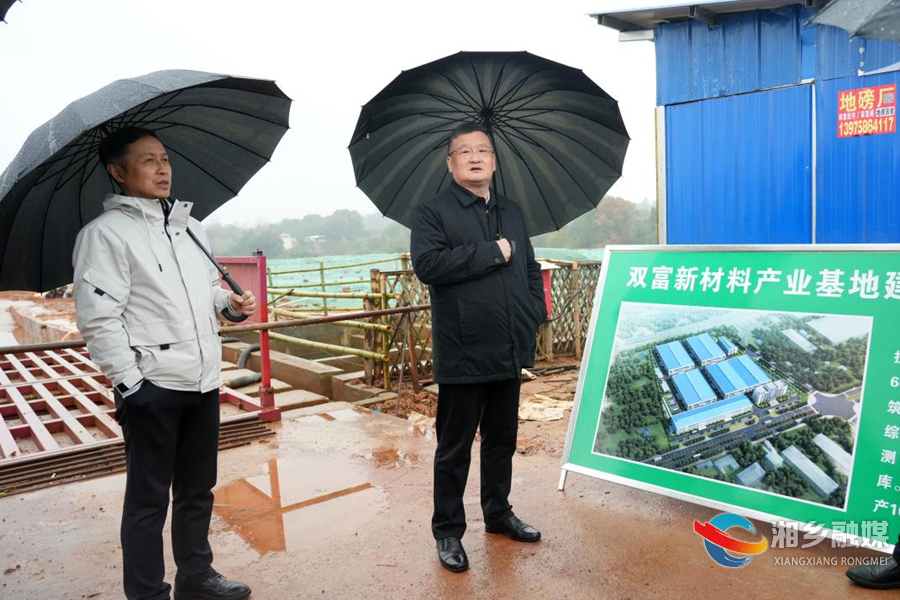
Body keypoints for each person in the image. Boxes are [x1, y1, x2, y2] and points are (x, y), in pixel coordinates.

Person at [73, 127, 255, 600]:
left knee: (197, 489)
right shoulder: (104, 235)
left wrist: (230, 305)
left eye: (165, 159)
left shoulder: (190, 228)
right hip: (152, 386)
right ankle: (147, 592)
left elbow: (203, 295)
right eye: (147, 160)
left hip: (203, 381)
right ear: (118, 172)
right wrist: (132, 384)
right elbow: (98, 319)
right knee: (148, 501)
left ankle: (196, 577)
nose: (162, 169)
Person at [411, 122, 547, 572]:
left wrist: (532, 314)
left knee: (501, 441)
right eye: (465, 151)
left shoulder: (512, 211)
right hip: (464, 351)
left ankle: (498, 513)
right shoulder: (433, 212)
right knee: (454, 449)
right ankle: (448, 531)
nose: (475, 157)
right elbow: (429, 265)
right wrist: (492, 251)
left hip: (508, 349)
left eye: (483, 151)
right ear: (450, 164)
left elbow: (529, 267)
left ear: (494, 161)